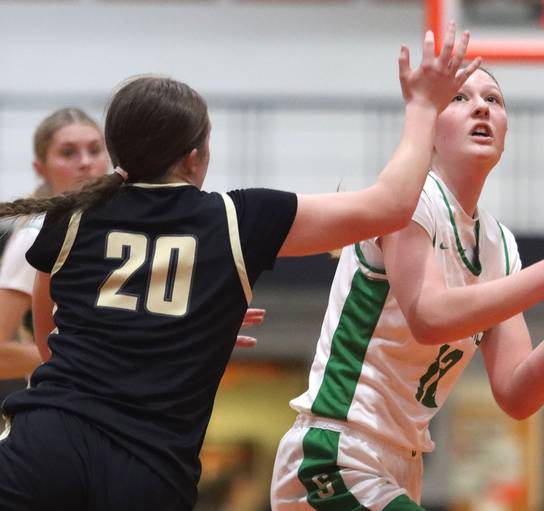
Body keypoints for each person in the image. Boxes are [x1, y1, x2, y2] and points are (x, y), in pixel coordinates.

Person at [0, 23, 480, 511]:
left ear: (118, 153)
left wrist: (165, 334)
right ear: (195, 157)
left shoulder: (71, 216)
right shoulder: (235, 218)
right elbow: (391, 205)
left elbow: (49, 344)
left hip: (43, 448)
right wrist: (422, 108)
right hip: (147, 470)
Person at [270, 67, 544, 510]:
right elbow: (429, 316)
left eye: (495, 100)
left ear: (506, 133)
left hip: (401, 466)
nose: (482, 106)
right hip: (335, 452)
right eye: (461, 98)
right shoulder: (408, 200)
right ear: (429, 129)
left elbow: (517, 393)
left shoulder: (499, 246)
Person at [0, 108, 108, 390]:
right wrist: (84, 359)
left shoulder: (123, 228)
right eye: (68, 153)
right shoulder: (34, 236)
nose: (85, 162)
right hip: (56, 407)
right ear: (41, 168)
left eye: (95, 150)